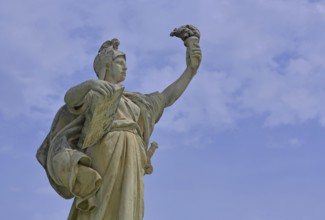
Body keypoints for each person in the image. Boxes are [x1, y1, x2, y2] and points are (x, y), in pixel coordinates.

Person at [36, 25, 202, 220]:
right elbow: (70, 99)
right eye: (120, 61)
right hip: (105, 151)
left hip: (133, 154)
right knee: (102, 202)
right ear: (106, 64)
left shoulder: (134, 101)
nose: (125, 67)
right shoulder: (93, 95)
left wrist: (190, 71)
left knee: (128, 208)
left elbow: (166, 98)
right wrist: (91, 84)